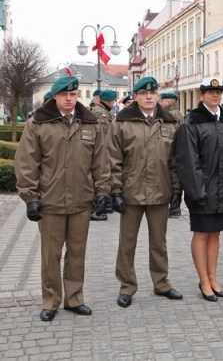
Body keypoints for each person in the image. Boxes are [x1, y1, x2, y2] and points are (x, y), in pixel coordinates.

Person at [15, 76, 110, 322]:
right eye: (65, 95)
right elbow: (27, 162)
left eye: (74, 94)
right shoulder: (38, 123)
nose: (69, 99)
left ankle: (74, 298)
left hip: (81, 199)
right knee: (51, 254)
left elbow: (100, 161)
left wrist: (102, 191)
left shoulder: (90, 123)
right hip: (50, 200)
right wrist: (30, 197)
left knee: (77, 252)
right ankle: (51, 300)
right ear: (55, 96)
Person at [108, 77, 183, 308]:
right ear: (136, 96)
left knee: (159, 242)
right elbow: (112, 159)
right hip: (131, 191)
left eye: (153, 93)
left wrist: (176, 189)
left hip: (160, 190)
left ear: (158, 96)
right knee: (127, 242)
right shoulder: (121, 123)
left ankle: (161, 283)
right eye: (143, 93)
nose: (149, 97)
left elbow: (174, 160)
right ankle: (127, 286)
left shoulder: (169, 123)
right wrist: (115, 191)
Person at [175, 78, 223, 302]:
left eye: (218, 92)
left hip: (222, 190)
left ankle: (213, 278)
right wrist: (197, 192)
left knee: (215, 234)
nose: (215, 95)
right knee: (201, 234)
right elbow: (188, 161)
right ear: (202, 95)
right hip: (202, 191)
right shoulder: (191, 123)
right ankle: (203, 280)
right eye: (210, 92)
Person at [90, 89, 118, 221]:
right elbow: (104, 134)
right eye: (113, 100)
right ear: (107, 101)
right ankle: (97, 208)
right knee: (101, 177)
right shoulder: (100, 113)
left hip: (105, 150)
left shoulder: (105, 112)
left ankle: (103, 204)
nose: (113, 103)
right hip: (103, 150)